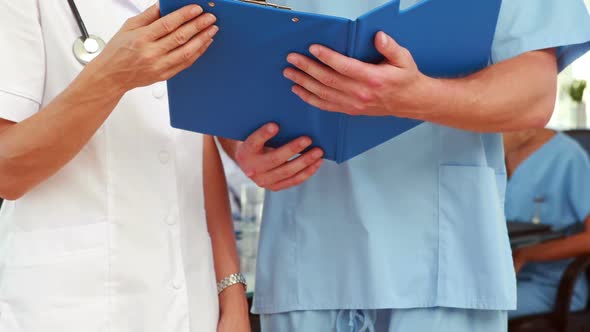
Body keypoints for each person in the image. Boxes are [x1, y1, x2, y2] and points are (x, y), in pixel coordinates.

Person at [218, 0, 590, 331]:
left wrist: (419, 99)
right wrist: (244, 150)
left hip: (441, 270)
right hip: (305, 266)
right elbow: (224, 77)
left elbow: (534, 96)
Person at [0, 2, 248, 332]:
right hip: (70, 304)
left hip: (192, 303)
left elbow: (192, 144)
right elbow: (7, 170)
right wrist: (112, 77)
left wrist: (230, 292)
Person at [504, 129, 590, 318]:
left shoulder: (568, 156)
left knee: (471, 312)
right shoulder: (488, 152)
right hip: (496, 278)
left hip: (550, 285)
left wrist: (526, 255)